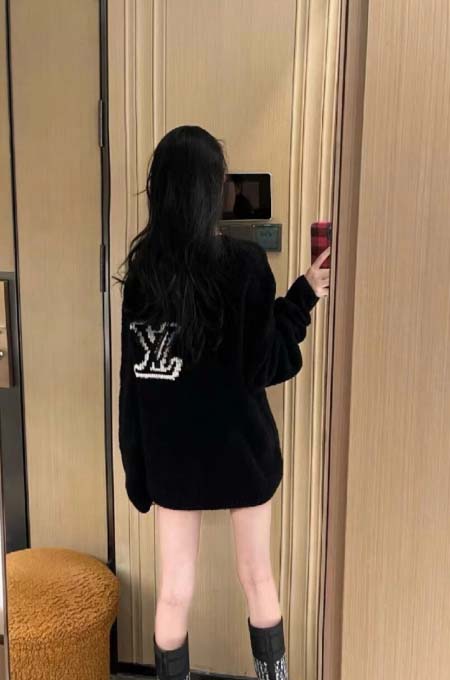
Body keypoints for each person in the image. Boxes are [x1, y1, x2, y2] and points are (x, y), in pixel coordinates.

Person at [115, 125, 330, 680]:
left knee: (173, 591)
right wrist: (304, 295)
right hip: (241, 454)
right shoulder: (245, 266)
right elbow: (268, 362)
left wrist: (138, 469)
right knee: (258, 578)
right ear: (213, 191)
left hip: (173, 463)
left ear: (160, 191)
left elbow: (135, 383)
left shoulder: (143, 277)